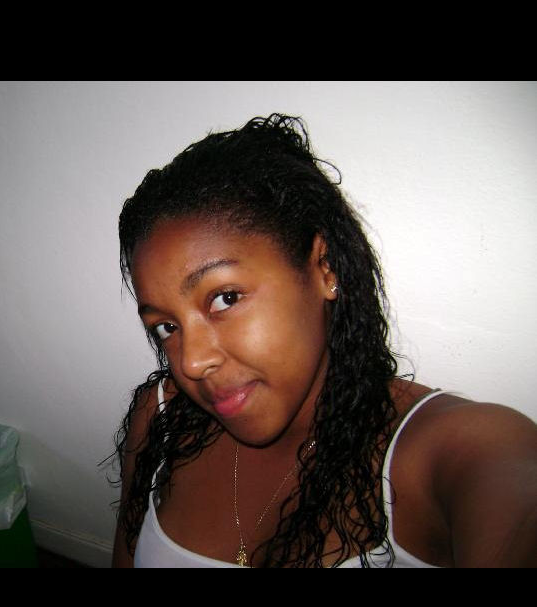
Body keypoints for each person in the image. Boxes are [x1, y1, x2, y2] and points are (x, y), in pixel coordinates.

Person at [106, 114, 537, 568]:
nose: (191, 363)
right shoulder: (163, 416)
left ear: (324, 268)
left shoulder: (446, 451)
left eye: (225, 298)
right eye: (166, 327)